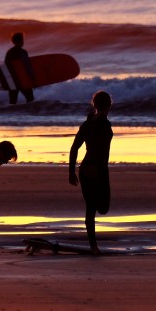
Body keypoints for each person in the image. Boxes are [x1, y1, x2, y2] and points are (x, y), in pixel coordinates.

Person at [68, 91, 113, 254]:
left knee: (93, 207)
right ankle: (93, 246)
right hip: (98, 168)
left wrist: (71, 172)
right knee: (101, 208)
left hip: (85, 169)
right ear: (109, 105)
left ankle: (93, 246)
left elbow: (74, 148)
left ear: (94, 104)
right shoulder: (103, 124)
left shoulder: (87, 123)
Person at [5, 32, 35, 104]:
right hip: (22, 79)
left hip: (12, 80)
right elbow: (26, 66)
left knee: (12, 101)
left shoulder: (9, 52)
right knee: (30, 99)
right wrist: (32, 77)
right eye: (22, 40)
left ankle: (12, 115)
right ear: (21, 41)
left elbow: (6, 65)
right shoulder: (23, 52)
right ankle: (29, 114)